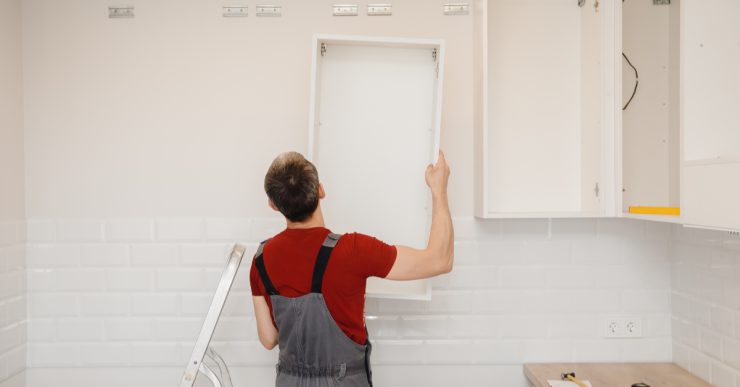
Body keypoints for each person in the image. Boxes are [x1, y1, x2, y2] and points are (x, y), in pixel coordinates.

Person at [250, 150, 454, 387]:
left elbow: (268, 338)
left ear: (273, 205)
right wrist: (439, 190)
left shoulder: (261, 259)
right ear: (320, 190)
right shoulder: (352, 250)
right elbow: (440, 259)